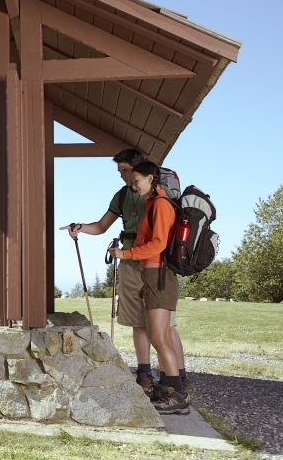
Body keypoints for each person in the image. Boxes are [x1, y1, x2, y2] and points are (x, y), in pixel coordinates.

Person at [59, 148, 189, 402]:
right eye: (120, 171)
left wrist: (125, 254)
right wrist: (81, 228)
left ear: (143, 172)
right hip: (133, 265)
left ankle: (177, 381)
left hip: (155, 265)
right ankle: (146, 374)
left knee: (164, 328)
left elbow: (160, 240)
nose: (122, 176)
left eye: (126, 171)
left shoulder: (159, 198)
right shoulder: (123, 195)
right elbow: (101, 225)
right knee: (137, 320)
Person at [109, 160, 188, 414]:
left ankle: (176, 395)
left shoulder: (162, 205)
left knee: (159, 338)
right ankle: (173, 393)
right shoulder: (154, 204)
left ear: (151, 179)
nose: (134, 185)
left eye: (138, 181)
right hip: (153, 277)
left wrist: (126, 254)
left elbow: (158, 245)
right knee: (160, 337)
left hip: (159, 276)